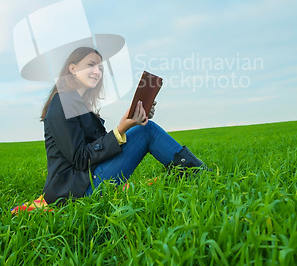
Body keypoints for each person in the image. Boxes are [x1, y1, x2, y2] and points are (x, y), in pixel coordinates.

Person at [41, 47, 209, 205]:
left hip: (89, 179)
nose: (97, 72)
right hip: (75, 191)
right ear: (72, 69)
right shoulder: (62, 103)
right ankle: (200, 175)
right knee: (147, 130)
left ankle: (192, 173)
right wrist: (120, 129)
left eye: (100, 68)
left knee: (144, 127)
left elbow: (99, 150)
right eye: (91, 65)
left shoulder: (81, 107)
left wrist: (128, 122)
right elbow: (80, 158)